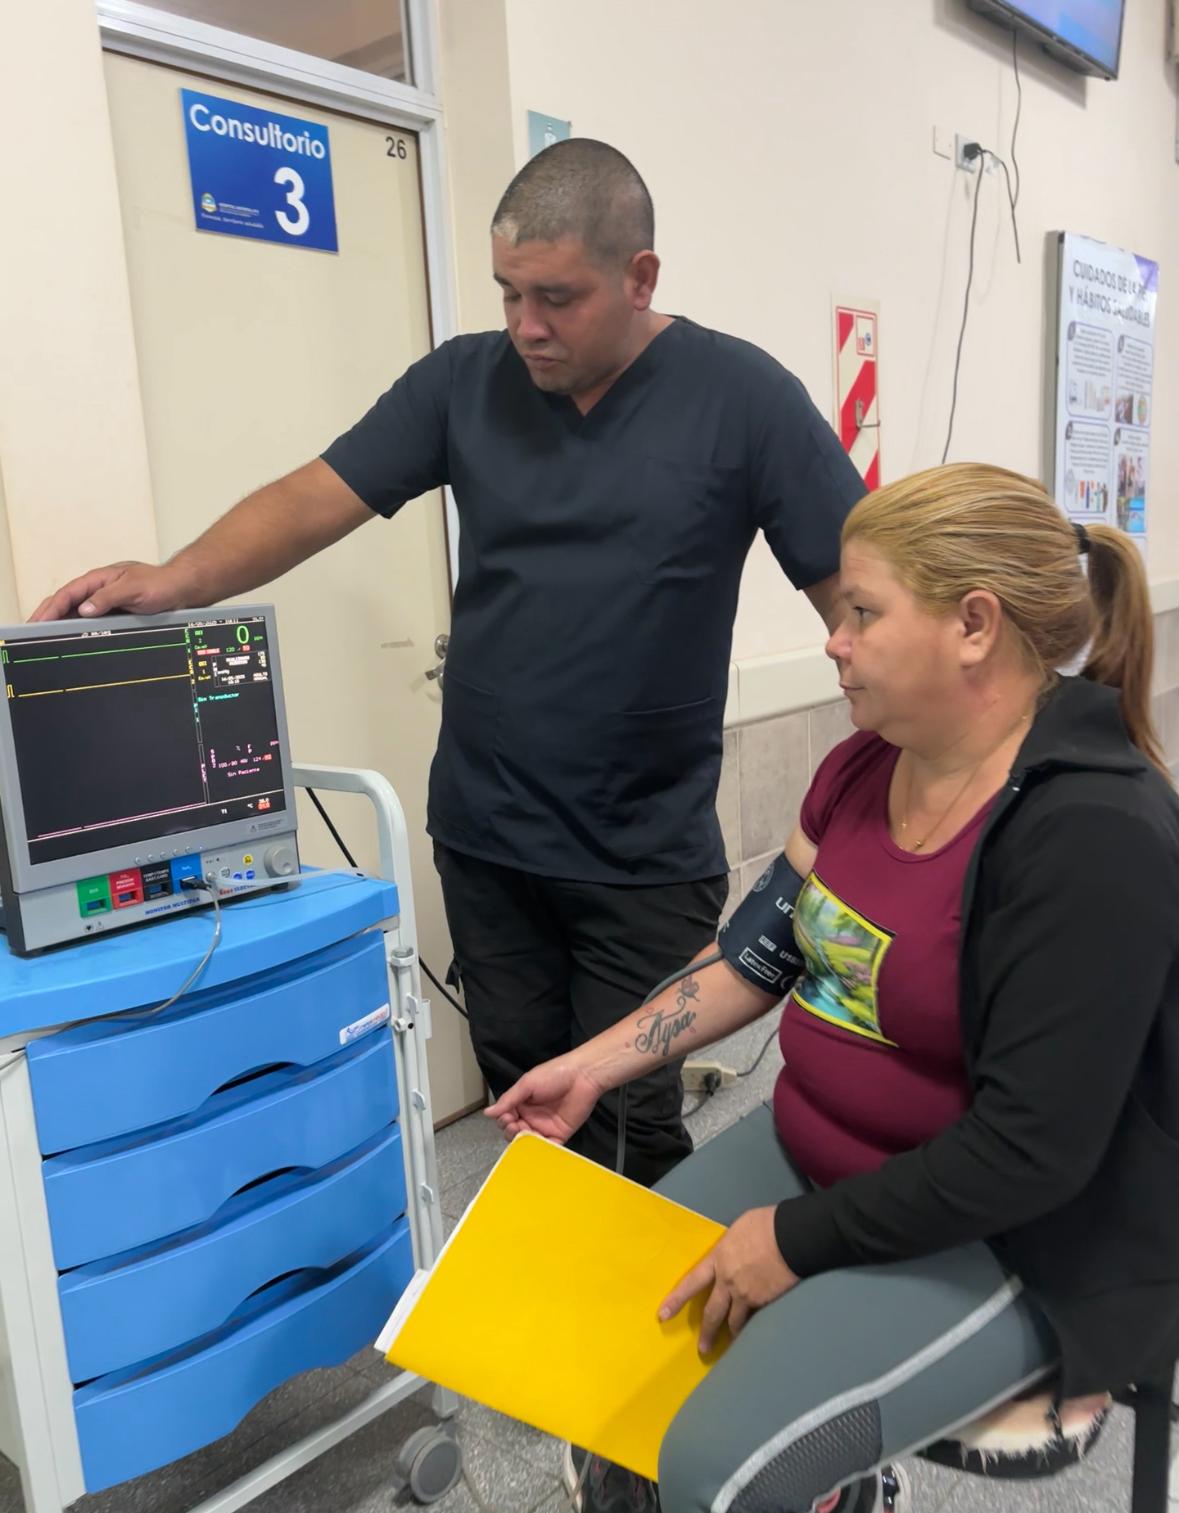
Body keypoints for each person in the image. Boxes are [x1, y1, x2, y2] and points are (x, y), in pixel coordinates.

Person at [31, 139, 862, 1189]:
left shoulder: (743, 400)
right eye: (509, 291)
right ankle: (541, 1284)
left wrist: (903, 755)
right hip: (488, 837)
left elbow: (857, 594)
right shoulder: (465, 382)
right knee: (528, 1103)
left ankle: (642, 1293)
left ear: (640, 277)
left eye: (556, 297)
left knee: (629, 1125)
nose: (526, 325)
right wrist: (176, 579)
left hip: (642, 856)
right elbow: (313, 497)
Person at [489, 462, 1179, 1513]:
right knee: (611, 1338)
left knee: (719, 1485)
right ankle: (806, 1496)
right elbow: (755, 958)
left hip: (1015, 1230)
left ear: (974, 626)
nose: (833, 641)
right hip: (825, 1148)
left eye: (861, 612)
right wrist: (595, 1064)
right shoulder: (864, 768)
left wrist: (793, 1242)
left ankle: (791, 1502)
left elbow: (1029, 1154)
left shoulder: (1091, 835)